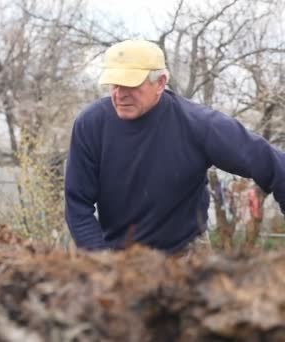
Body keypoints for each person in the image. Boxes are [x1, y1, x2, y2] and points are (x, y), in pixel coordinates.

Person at [64, 39, 285, 254]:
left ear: (160, 82)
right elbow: (77, 205)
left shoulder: (198, 124)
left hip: (185, 253)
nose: (120, 94)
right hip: (116, 253)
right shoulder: (91, 125)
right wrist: (102, 262)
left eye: (130, 85)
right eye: (114, 84)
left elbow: (271, 163)